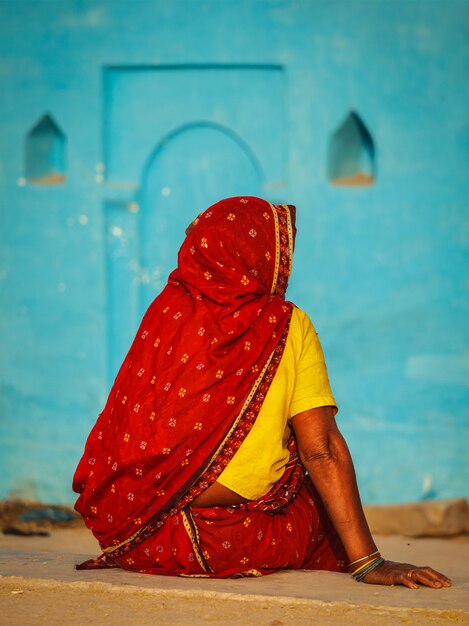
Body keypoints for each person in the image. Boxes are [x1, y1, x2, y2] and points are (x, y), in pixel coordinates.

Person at [73, 196, 450, 588]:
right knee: (317, 505)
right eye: (280, 248)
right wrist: (371, 562)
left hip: (135, 534)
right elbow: (321, 449)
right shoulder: (284, 323)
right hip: (221, 538)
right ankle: (357, 559)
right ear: (253, 253)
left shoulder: (165, 314)